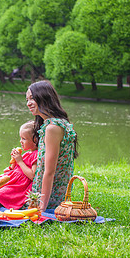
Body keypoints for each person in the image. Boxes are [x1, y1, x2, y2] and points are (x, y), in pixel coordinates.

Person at [26, 80, 78, 211]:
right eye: (27, 99)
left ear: (44, 97)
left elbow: (50, 171)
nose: (28, 103)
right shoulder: (57, 123)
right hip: (45, 190)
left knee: (2, 198)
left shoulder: (53, 128)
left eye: (32, 98)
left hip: (50, 196)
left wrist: (42, 206)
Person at [0, 121, 38, 209]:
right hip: (12, 180)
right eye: (21, 138)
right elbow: (17, 169)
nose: (21, 141)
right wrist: (12, 166)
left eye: (24, 139)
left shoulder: (36, 155)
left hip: (19, 186)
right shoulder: (27, 154)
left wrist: (20, 161)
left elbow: (32, 175)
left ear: (35, 140)